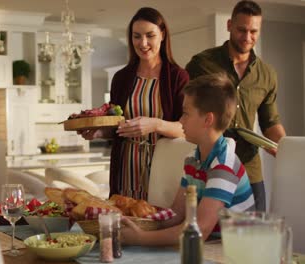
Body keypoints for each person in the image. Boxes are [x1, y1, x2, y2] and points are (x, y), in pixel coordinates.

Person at [121, 73, 255, 246]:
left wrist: (141, 238)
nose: (180, 120)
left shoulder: (223, 166)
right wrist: (137, 224)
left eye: (185, 113)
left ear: (208, 119)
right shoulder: (193, 158)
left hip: (235, 250)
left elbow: (200, 229)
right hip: (211, 244)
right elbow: (178, 212)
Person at [185, 0, 286, 211]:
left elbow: (270, 123)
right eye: (241, 30)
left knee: (254, 236)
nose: (247, 37)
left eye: (253, 31)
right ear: (229, 25)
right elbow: (188, 109)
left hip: (250, 169)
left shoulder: (267, 74)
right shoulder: (201, 64)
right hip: (212, 164)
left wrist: (286, 149)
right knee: (210, 234)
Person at [79, 7, 188, 200]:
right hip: (126, 168)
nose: (143, 43)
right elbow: (117, 126)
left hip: (161, 168)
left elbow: (186, 129)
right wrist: (99, 133)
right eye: (136, 36)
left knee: (155, 222)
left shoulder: (177, 77)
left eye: (150, 35)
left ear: (162, 35)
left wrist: (155, 124)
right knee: (125, 221)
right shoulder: (121, 78)